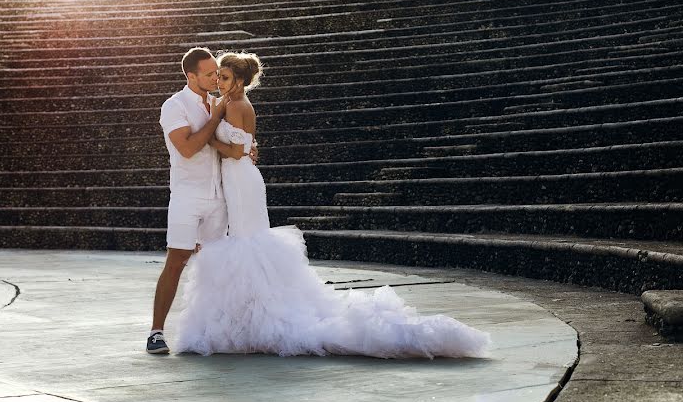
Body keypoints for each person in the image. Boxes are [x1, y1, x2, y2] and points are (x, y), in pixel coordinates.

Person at [173, 51, 491, 358]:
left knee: (248, 241)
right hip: (238, 177)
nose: (219, 82)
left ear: (240, 81)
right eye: (218, 76)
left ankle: (260, 316)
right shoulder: (229, 102)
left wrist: (212, 136)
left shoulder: (236, 105)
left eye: (225, 77)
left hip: (241, 178)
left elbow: (239, 151)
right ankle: (249, 314)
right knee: (245, 240)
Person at [147, 47, 233, 354]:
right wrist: (216, 117)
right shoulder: (174, 105)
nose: (215, 78)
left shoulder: (220, 102)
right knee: (177, 260)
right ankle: (156, 332)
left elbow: (225, 144)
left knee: (214, 266)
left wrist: (245, 149)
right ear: (191, 75)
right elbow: (187, 148)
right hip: (187, 195)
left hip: (218, 195)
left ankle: (212, 330)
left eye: (216, 72)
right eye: (209, 74)